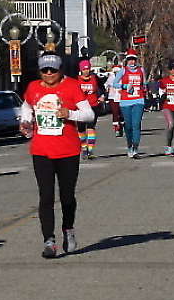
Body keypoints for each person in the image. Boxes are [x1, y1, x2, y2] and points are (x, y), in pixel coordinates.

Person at [19, 53, 94, 258]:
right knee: (46, 196)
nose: (49, 73)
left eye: (53, 70)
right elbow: (27, 106)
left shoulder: (72, 86)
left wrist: (70, 114)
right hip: (41, 151)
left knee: (67, 197)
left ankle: (68, 228)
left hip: (68, 150)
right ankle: (49, 241)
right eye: (45, 70)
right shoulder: (33, 88)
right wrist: (25, 121)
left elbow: (89, 114)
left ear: (61, 70)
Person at [112, 49, 147, 158]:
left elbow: (144, 83)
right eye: (130, 59)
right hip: (126, 102)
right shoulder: (123, 71)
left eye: (134, 59)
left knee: (136, 125)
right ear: (127, 60)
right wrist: (124, 86)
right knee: (128, 126)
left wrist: (145, 88)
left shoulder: (141, 70)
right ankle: (129, 146)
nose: (132, 62)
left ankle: (135, 149)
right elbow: (114, 83)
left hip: (139, 100)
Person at [76, 59, 105, 159]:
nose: (86, 71)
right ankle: (84, 148)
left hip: (93, 106)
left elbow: (102, 88)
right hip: (80, 107)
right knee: (81, 129)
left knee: (91, 127)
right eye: (84, 69)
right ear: (81, 70)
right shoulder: (76, 80)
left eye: (88, 69)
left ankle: (91, 150)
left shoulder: (95, 78)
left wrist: (102, 96)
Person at [106, 63, 125, 137]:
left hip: (121, 97)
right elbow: (106, 85)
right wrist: (107, 89)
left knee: (122, 114)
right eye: (115, 72)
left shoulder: (123, 77)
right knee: (115, 113)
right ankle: (116, 129)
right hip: (113, 97)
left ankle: (122, 126)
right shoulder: (111, 77)